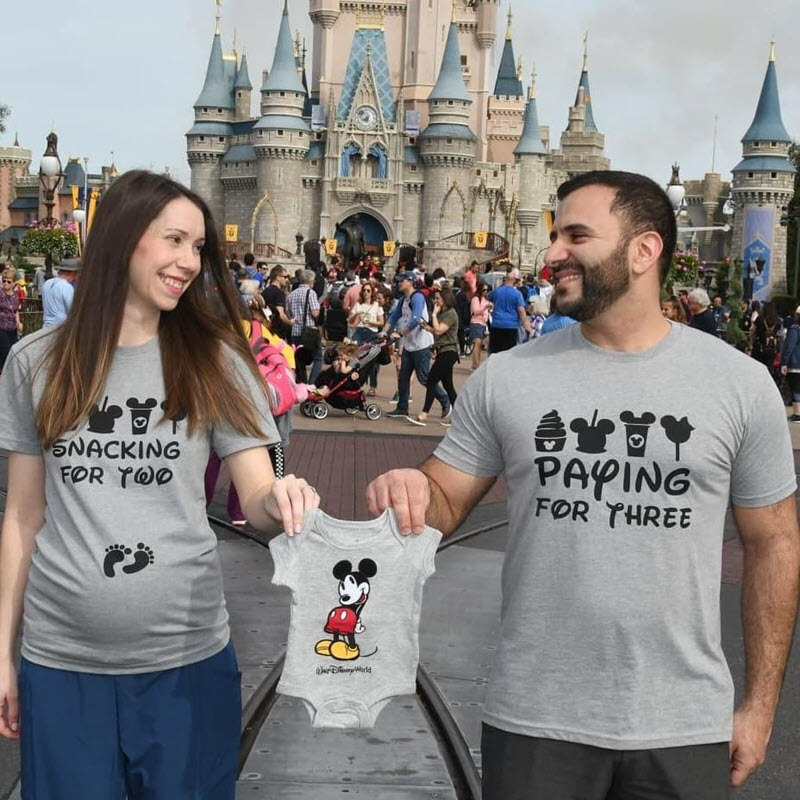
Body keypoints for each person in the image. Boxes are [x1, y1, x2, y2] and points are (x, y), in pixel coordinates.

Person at [366, 170, 800, 800]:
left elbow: (776, 545)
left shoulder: (739, 384)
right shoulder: (506, 379)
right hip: (537, 719)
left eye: (576, 235)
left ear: (644, 250)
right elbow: (444, 498)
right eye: (553, 235)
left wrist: (760, 709)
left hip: (682, 721)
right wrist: (409, 487)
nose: (552, 254)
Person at [0, 170, 319, 798]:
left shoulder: (215, 360)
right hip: (61, 662)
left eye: (198, 248)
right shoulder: (35, 361)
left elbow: (255, 495)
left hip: (185, 663)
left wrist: (281, 501)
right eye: (175, 241)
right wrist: (1, 651)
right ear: (123, 239)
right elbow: (22, 517)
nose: (188, 263)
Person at [381, 272, 449, 420]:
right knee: (403, 376)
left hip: (421, 344)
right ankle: (402, 408)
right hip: (409, 344)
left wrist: (400, 333)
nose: (398, 284)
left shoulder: (417, 297)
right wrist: (384, 331)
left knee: (423, 377)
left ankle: (445, 401)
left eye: (401, 281)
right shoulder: (403, 300)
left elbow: (416, 318)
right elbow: (393, 317)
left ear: (410, 282)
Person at [406, 288, 459, 427]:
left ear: (445, 299)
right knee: (448, 386)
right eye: (435, 298)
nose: (435, 301)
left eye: (438, 298)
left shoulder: (450, 314)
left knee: (431, 381)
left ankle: (424, 414)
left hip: (449, 352)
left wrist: (434, 315)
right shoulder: (444, 313)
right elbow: (436, 330)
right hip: (443, 351)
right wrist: (425, 326)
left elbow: (440, 329)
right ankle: (460, 417)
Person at [286, 269, 322, 383]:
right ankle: (312, 382)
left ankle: (301, 383)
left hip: (295, 331)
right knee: (318, 358)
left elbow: (288, 313)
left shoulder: (292, 294)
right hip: (309, 330)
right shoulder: (310, 293)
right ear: (310, 280)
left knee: (299, 359)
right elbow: (315, 312)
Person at [349, 282, 384, 395]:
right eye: (364, 290)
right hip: (359, 331)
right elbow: (350, 320)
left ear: (372, 292)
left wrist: (370, 322)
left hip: (371, 333)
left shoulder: (376, 305)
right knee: (355, 358)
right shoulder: (358, 304)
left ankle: (373, 386)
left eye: (368, 291)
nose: (366, 293)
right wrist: (356, 315)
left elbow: (381, 322)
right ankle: (355, 383)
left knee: (372, 361)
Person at [487, 265, 531, 353]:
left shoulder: (497, 292)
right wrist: (526, 324)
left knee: (495, 353)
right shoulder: (517, 294)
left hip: (497, 325)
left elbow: (488, 296)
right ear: (516, 280)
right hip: (511, 326)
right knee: (508, 353)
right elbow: (521, 311)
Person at [41, 258, 81, 327]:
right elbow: (73, 311)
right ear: (73, 273)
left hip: (46, 326)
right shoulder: (67, 287)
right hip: (60, 328)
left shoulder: (47, 283)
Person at [751, 300, 782, 378]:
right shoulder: (778, 321)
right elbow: (780, 336)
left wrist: (752, 341)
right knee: (768, 372)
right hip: (771, 350)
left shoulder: (760, 319)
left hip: (759, 348)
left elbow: (752, 332)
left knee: (756, 372)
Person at [0, 267, 23, 372]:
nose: (5, 283)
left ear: (14, 283)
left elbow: (16, 310)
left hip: (12, 328)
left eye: (8, 281)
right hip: (1, 327)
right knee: (6, 349)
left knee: (12, 350)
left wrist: (18, 322)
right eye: (3, 281)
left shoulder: (15, 296)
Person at [262, 264, 294, 340]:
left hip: (266, 327)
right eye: (285, 277)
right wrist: (290, 323)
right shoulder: (279, 293)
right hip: (277, 329)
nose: (286, 279)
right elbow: (281, 314)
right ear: (278, 278)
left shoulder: (265, 291)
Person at [780, 305, 800, 422]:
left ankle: (797, 414)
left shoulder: (795, 328)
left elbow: (789, 346)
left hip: (796, 363)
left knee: (796, 388)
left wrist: (784, 362)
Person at [469, 280, 491, 370]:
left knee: (480, 344)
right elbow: (475, 311)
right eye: (484, 290)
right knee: (477, 343)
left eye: (486, 290)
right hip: (475, 323)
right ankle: (475, 364)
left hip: (483, 323)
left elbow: (485, 313)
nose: (485, 292)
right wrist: (485, 307)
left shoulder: (485, 300)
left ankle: (477, 363)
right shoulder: (475, 299)